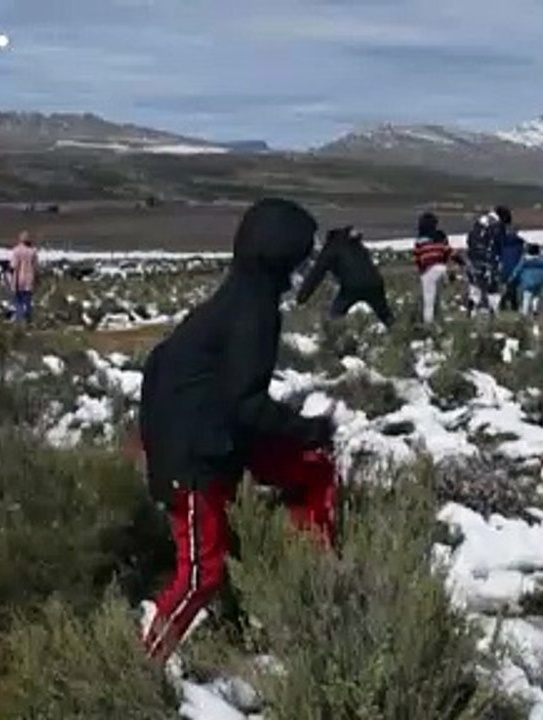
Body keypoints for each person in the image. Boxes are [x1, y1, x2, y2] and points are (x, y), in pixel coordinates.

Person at [137, 198, 339, 663]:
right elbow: (243, 403)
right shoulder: (254, 310)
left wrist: (298, 437)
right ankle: (141, 665)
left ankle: (316, 579)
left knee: (311, 469)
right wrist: (306, 428)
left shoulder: (242, 295)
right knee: (200, 574)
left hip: (212, 436)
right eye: (301, 252)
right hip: (193, 455)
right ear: (281, 254)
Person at [295, 225, 394, 327]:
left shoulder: (331, 249)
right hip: (375, 283)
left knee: (336, 313)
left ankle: (336, 330)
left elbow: (316, 275)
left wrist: (302, 297)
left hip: (352, 287)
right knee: (384, 312)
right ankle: (393, 326)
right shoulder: (356, 244)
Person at [464, 207, 508, 317]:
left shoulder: (480, 222)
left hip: (473, 256)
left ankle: (472, 307)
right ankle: (493, 310)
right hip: (489, 258)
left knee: (475, 283)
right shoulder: (498, 225)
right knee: (492, 285)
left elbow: (469, 239)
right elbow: (499, 244)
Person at [413, 226, 456, 326]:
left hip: (428, 272)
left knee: (429, 301)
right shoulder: (441, 246)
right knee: (441, 295)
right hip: (441, 269)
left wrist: (422, 272)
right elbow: (453, 255)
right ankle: (444, 317)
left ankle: (428, 322)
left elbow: (418, 261)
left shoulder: (421, 246)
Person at [509, 242, 543, 317]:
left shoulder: (525, 259)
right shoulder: (541, 259)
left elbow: (518, 269)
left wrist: (513, 276)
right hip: (539, 279)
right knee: (536, 295)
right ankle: (535, 309)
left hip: (528, 280)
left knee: (527, 295)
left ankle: (524, 312)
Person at [9, 231, 38, 322]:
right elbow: (36, 265)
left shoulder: (16, 250)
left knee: (18, 301)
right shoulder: (33, 251)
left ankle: (20, 318)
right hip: (29, 279)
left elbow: (13, 265)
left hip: (18, 279)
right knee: (27, 301)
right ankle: (27, 318)